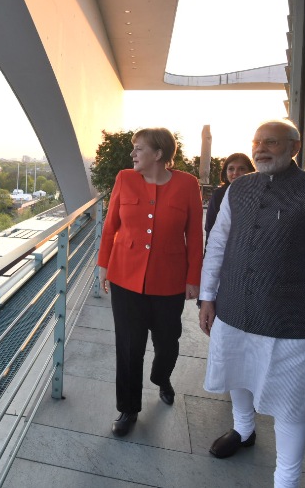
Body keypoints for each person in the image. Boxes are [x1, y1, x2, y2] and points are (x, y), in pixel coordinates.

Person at [198, 119, 305, 487]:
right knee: (235, 373)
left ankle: (285, 481)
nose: (261, 149)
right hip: (234, 310)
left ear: (294, 148)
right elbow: (218, 246)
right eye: (257, 142)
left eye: (271, 142)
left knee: (291, 404)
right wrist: (208, 297)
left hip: (289, 321)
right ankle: (242, 429)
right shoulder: (238, 189)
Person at [97, 127, 203, 437]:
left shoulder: (187, 184)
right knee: (129, 347)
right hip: (125, 277)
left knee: (168, 343)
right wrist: (104, 264)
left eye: (139, 148)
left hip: (169, 281)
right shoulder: (124, 179)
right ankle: (128, 408)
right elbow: (110, 225)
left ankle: (162, 377)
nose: (133, 154)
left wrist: (193, 278)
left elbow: (195, 235)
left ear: (158, 154)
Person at [204, 152, 255, 244]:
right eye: (231, 169)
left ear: (250, 172)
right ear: (225, 172)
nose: (235, 173)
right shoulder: (219, 195)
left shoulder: (257, 194)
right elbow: (210, 228)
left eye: (241, 169)